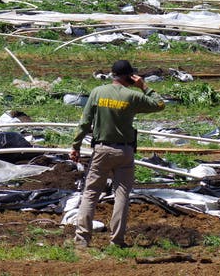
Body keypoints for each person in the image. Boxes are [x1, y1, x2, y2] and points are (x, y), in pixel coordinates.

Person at [70, 59, 165, 248]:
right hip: (125, 151)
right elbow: (160, 104)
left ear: (113, 74)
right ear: (130, 76)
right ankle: (117, 240)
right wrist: (143, 86)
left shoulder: (97, 92)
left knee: (90, 194)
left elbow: (85, 122)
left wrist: (76, 146)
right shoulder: (132, 96)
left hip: (102, 150)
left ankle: (82, 239)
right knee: (121, 195)